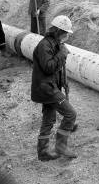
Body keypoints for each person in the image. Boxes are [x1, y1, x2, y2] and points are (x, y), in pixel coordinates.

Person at [31, 15, 78, 161]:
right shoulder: (45, 45)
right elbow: (49, 67)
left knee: (49, 119)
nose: (66, 36)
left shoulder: (55, 43)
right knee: (70, 114)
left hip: (49, 86)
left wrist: (63, 82)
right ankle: (60, 146)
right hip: (46, 89)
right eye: (65, 33)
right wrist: (62, 54)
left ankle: (43, 153)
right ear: (58, 31)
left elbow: (57, 68)